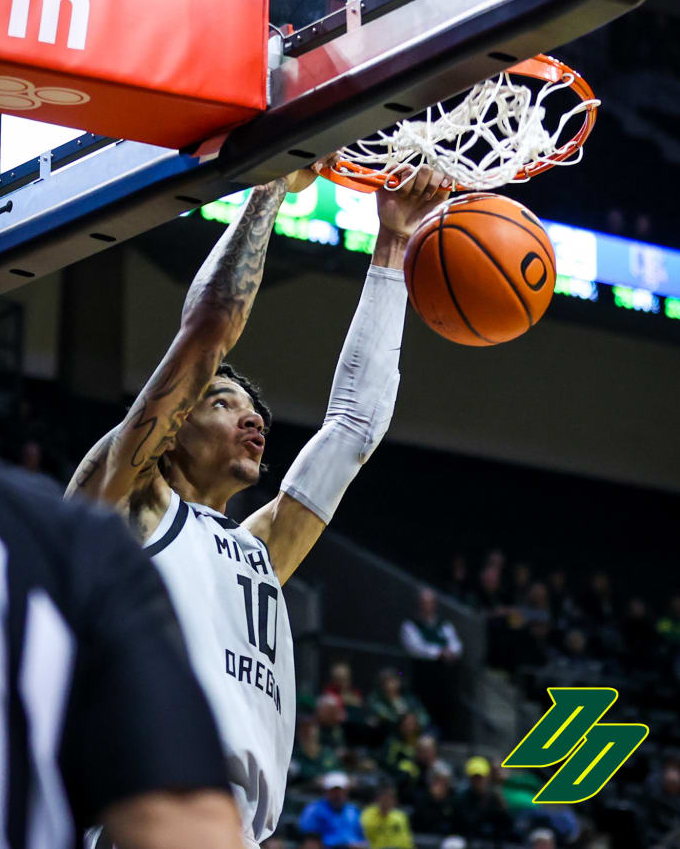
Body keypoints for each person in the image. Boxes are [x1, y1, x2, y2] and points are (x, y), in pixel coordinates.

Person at [68, 163, 449, 846]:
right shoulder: (126, 500)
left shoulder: (257, 550)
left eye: (256, 411)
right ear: (174, 421)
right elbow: (210, 327)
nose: (253, 421)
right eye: (223, 402)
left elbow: (354, 429)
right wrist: (272, 182)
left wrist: (392, 246)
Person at [0, 455, 243, 849]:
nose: (253, 420)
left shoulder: (249, 546)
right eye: (221, 400)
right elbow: (181, 817)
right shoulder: (73, 537)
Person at [399, 587, 462, 737]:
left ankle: (444, 738)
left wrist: (451, 652)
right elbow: (415, 647)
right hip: (423, 676)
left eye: (430, 602)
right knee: (424, 709)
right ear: (419, 604)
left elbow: (456, 644)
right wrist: (438, 652)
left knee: (445, 708)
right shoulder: (411, 624)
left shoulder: (443, 624)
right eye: (424, 603)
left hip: (444, 676)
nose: (427, 606)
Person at [299, 772, 366, 848]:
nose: (338, 794)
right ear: (326, 791)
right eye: (334, 791)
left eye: (341, 791)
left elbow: (362, 837)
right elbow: (309, 840)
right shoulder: (314, 810)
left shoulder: (353, 811)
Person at [360, 782, 414, 849]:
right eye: (385, 797)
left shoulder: (400, 816)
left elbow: (406, 841)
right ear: (378, 798)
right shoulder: (367, 815)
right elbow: (365, 838)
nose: (388, 801)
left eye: (391, 797)